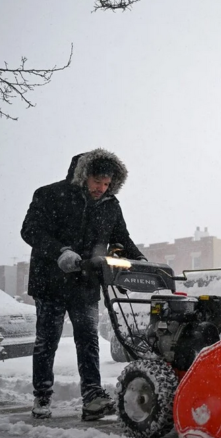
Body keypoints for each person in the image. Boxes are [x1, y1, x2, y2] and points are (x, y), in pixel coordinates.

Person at [21, 148, 146, 421]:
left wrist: (141, 262)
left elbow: (121, 238)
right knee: (47, 341)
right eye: (97, 182)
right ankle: (42, 395)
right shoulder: (50, 195)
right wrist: (60, 252)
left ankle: (92, 398)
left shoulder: (110, 205)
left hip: (86, 283)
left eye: (106, 184)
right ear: (84, 176)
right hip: (50, 283)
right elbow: (31, 230)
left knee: (88, 341)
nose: (102, 188)